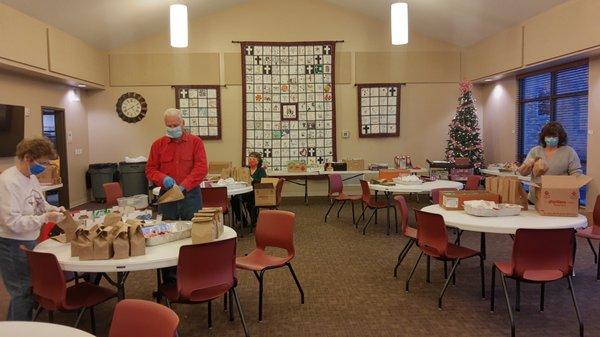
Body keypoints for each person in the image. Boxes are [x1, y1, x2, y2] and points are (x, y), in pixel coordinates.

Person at [0, 137, 66, 321]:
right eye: (43, 162)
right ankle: (17, 331)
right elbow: (11, 222)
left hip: (29, 239)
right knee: (21, 291)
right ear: (28, 158)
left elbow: (39, 203)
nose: (45, 167)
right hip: (12, 243)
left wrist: (54, 209)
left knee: (29, 287)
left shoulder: (31, 177)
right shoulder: (8, 182)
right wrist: (44, 218)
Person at [146, 108, 208, 221]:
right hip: (167, 194)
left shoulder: (195, 142)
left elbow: (201, 168)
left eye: (176, 125)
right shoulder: (158, 145)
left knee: (193, 228)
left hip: (190, 195)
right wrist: (163, 178)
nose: (173, 128)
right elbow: (150, 170)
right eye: (169, 126)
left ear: (183, 123)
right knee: (167, 230)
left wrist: (184, 185)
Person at [518, 121, 582, 201]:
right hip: (536, 198)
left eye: (554, 136)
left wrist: (564, 184)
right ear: (543, 137)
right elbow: (523, 173)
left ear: (560, 137)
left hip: (559, 198)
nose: (551, 139)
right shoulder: (535, 151)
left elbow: (576, 173)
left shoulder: (568, 152)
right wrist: (528, 164)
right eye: (548, 136)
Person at [232, 152, 267, 226]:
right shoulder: (245, 169)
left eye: (253, 159)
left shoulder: (261, 170)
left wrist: (252, 180)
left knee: (250, 203)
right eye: (250, 159)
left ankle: (254, 221)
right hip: (244, 191)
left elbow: (263, 183)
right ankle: (243, 221)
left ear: (258, 161)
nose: (251, 160)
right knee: (234, 200)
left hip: (256, 192)